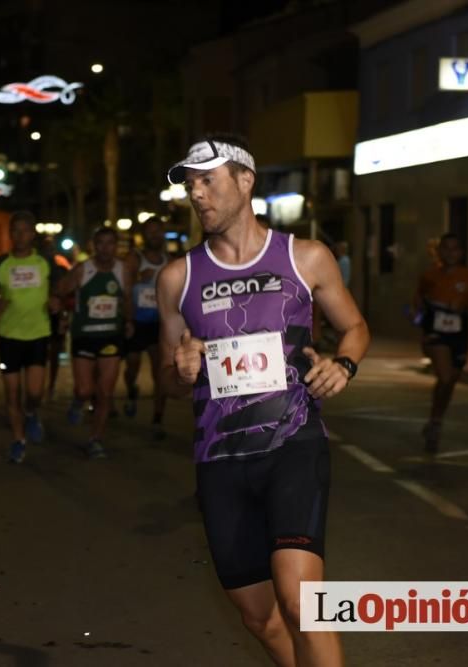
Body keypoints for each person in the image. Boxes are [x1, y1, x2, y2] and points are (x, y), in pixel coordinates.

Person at [158, 136, 368, 666]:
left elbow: (355, 328)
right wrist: (178, 371)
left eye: (208, 181)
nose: (197, 194)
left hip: (292, 445)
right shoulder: (177, 278)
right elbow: (167, 378)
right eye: (191, 185)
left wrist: (342, 364)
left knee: (302, 604)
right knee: (259, 617)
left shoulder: (305, 257)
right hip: (219, 461)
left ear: (245, 181)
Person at [0, 213, 60, 463]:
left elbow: (58, 292)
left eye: (25, 230)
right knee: (11, 393)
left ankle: (31, 412)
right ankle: (19, 440)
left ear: (32, 234)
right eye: (15, 231)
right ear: (10, 234)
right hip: (9, 335)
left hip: (38, 333)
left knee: (34, 392)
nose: (20, 235)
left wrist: (56, 303)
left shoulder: (45, 262)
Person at [56, 226, 133, 459]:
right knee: (84, 389)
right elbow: (60, 291)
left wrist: (129, 321)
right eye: (101, 243)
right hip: (84, 336)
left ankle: (95, 439)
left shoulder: (123, 270)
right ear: (93, 246)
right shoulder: (83, 269)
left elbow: (127, 298)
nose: (106, 248)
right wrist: (61, 314)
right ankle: (78, 402)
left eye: (111, 243)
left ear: (116, 246)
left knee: (105, 393)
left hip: (111, 336)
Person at [413, 233, 468, 453]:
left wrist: (461, 310)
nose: (450, 253)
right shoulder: (429, 276)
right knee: (444, 376)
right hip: (435, 335)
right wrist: (420, 318)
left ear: (461, 253)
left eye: (455, 249)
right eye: (446, 248)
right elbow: (418, 301)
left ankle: (436, 419)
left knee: (450, 381)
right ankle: (435, 422)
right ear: (439, 251)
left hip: (459, 336)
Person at [123, 217, 168, 438]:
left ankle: (157, 419)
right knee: (131, 366)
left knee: (160, 372)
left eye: (158, 231)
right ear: (144, 234)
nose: (154, 235)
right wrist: (128, 320)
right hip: (137, 322)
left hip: (159, 323)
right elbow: (124, 286)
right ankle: (131, 391)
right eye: (150, 232)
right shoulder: (135, 258)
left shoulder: (169, 260)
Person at [37, 236, 73, 402]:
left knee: (55, 351)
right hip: (38, 313)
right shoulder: (36, 266)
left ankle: (50, 386)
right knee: (41, 353)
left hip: (56, 313)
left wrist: (64, 313)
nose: (48, 251)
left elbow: (69, 291)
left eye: (51, 248)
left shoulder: (61, 266)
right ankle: (41, 385)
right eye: (46, 247)